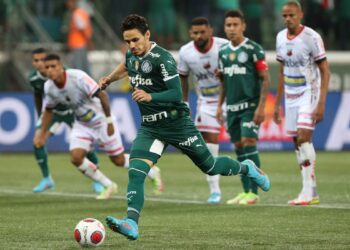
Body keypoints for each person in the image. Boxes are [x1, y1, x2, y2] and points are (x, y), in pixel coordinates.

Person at [99, 14, 270, 240]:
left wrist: (150, 96)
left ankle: (247, 168)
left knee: (210, 166)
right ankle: (131, 222)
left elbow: (176, 93)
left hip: (177, 124)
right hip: (151, 128)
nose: (132, 46)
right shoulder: (132, 54)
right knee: (136, 172)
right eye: (128, 41)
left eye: (136, 40)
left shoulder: (164, 59)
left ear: (147, 35)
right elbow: (126, 65)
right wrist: (110, 79)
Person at [34, 53, 163, 199]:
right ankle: (108, 185)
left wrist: (109, 121)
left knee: (118, 160)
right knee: (76, 157)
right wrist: (42, 134)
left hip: (102, 121)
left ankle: (152, 172)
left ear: (61, 66)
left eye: (53, 66)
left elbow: (102, 95)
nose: (50, 70)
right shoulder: (49, 87)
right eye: (47, 67)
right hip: (82, 124)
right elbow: (49, 110)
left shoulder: (78, 77)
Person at [273, 1, 330, 205]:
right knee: (297, 143)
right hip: (290, 95)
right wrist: (278, 104)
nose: (288, 19)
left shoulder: (311, 37)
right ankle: (310, 190)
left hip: (309, 92)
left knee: (304, 139)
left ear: (301, 15)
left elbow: (325, 70)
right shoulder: (280, 37)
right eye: (285, 15)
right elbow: (282, 72)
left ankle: (308, 191)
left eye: (292, 15)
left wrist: (322, 102)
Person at [29, 48, 102, 193]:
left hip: (72, 112)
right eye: (35, 60)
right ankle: (47, 179)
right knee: (37, 142)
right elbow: (38, 96)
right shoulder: (34, 78)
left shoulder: (64, 72)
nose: (39, 64)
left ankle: (97, 179)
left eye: (42, 60)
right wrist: (40, 116)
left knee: (85, 147)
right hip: (52, 113)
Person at [216, 10, 270, 205]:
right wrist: (219, 106)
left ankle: (254, 192)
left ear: (243, 26)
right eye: (228, 25)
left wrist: (261, 107)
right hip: (232, 107)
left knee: (248, 142)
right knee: (238, 147)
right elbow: (223, 81)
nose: (231, 29)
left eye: (235, 25)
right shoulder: (222, 52)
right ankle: (245, 190)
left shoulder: (254, 49)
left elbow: (265, 79)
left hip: (251, 105)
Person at [178, 17, 228, 204]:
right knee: (210, 144)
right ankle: (215, 190)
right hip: (206, 102)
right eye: (195, 33)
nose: (199, 36)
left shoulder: (224, 46)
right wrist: (185, 103)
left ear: (210, 30)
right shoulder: (186, 52)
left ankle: (250, 187)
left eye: (202, 32)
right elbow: (183, 78)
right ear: (191, 33)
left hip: (230, 98)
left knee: (243, 143)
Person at [66, 0, 92, 75]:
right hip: (79, 44)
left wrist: (89, 42)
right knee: (83, 67)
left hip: (78, 44)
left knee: (79, 68)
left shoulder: (77, 13)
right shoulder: (79, 13)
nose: (68, 5)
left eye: (70, 3)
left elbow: (82, 29)